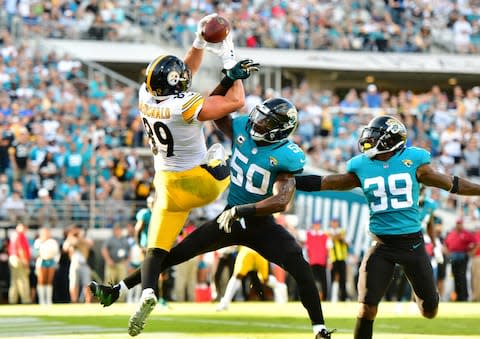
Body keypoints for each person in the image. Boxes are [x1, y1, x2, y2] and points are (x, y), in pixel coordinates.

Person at [90, 97, 334, 339]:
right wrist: (229, 77)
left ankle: (319, 329)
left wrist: (244, 210)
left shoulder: (287, 155)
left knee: (301, 269)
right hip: (230, 217)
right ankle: (117, 289)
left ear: (279, 131)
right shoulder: (242, 129)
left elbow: (281, 200)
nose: (256, 124)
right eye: (258, 117)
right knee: (178, 252)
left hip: (259, 224)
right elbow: (215, 109)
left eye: (264, 123)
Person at [90, 13, 259, 336]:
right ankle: (219, 162)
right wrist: (228, 56)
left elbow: (186, 70)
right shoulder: (185, 105)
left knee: (156, 248)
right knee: (220, 152)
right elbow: (236, 100)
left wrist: (198, 42)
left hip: (166, 185)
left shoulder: (145, 96)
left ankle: (146, 291)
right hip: (202, 182)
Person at [294, 115, 480, 339]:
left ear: (390, 139)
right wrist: (295, 181)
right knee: (366, 307)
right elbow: (329, 182)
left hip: (412, 244)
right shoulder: (362, 165)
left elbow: (450, 183)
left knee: (429, 310)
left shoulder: (414, 160)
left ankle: (419, 295)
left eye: (374, 136)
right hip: (381, 245)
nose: (368, 141)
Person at [216, 246, 287, 311]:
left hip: (259, 250)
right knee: (237, 275)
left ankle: (280, 287)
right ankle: (225, 302)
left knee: (265, 279)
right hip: (247, 250)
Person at [33, 227, 60, 305]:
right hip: (41, 262)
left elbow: (56, 253)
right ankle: (42, 300)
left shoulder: (53, 242)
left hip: (51, 262)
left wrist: (55, 261)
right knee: (41, 281)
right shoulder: (38, 241)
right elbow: (35, 253)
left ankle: (48, 300)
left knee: (49, 281)